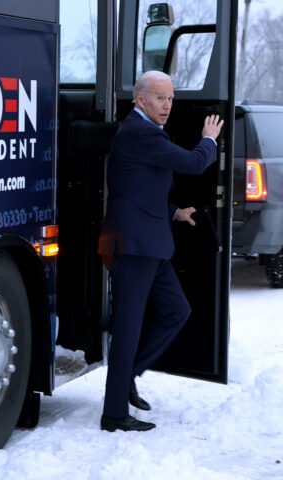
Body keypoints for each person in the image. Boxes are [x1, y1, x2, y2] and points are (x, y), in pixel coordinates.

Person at [97, 70, 224, 432]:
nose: (167, 105)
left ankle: (128, 375)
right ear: (141, 100)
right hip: (134, 247)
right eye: (159, 97)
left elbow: (137, 185)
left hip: (150, 243)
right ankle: (114, 414)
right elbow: (194, 163)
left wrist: (174, 211)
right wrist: (209, 140)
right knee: (128, 329)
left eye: (170, 98)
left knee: (176, 310)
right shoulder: (140, 133)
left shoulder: (145, 132)